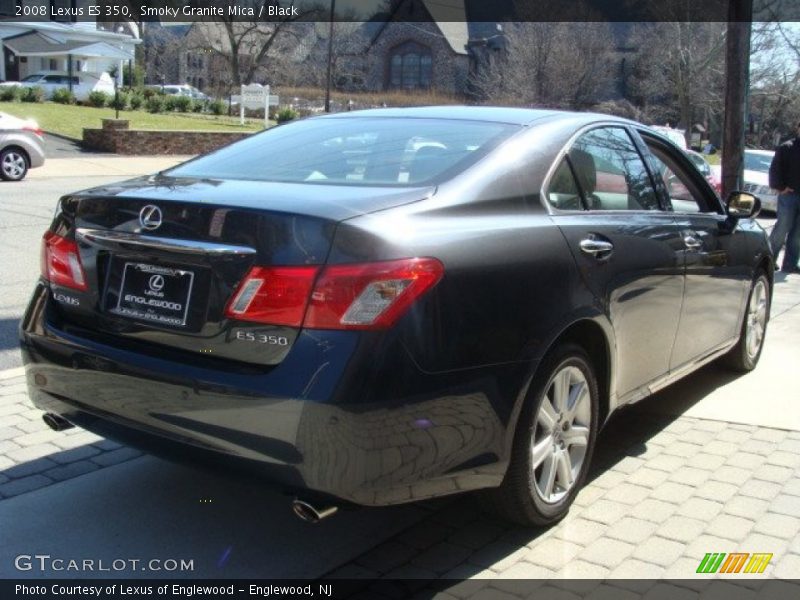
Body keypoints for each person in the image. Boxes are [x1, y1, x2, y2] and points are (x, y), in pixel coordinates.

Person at [768, 121, 800, 273]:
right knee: (782, 227)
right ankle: (768, 260)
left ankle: (790, 265)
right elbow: (775, 169)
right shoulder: (787, 147)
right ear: (798, 128)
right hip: (789, 195)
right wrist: (780, 187)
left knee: (798, 233)